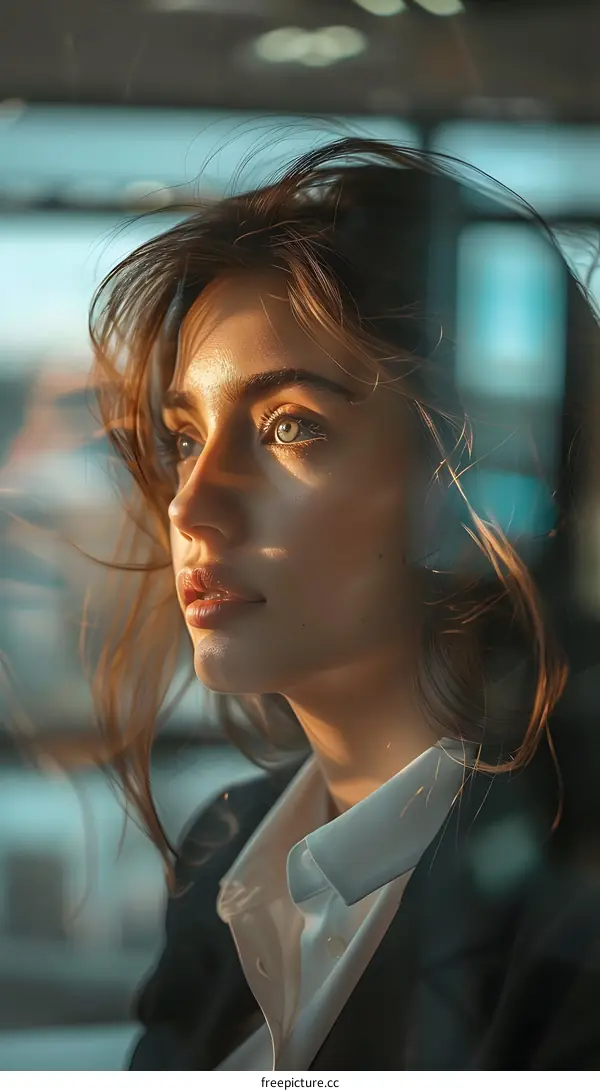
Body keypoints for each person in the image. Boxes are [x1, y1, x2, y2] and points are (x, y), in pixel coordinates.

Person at [83, 137, 600, 1070]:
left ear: (473, 478)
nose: (192, 504)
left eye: (289, 426)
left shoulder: (562, 887)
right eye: (185, 437)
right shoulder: (226, 849)